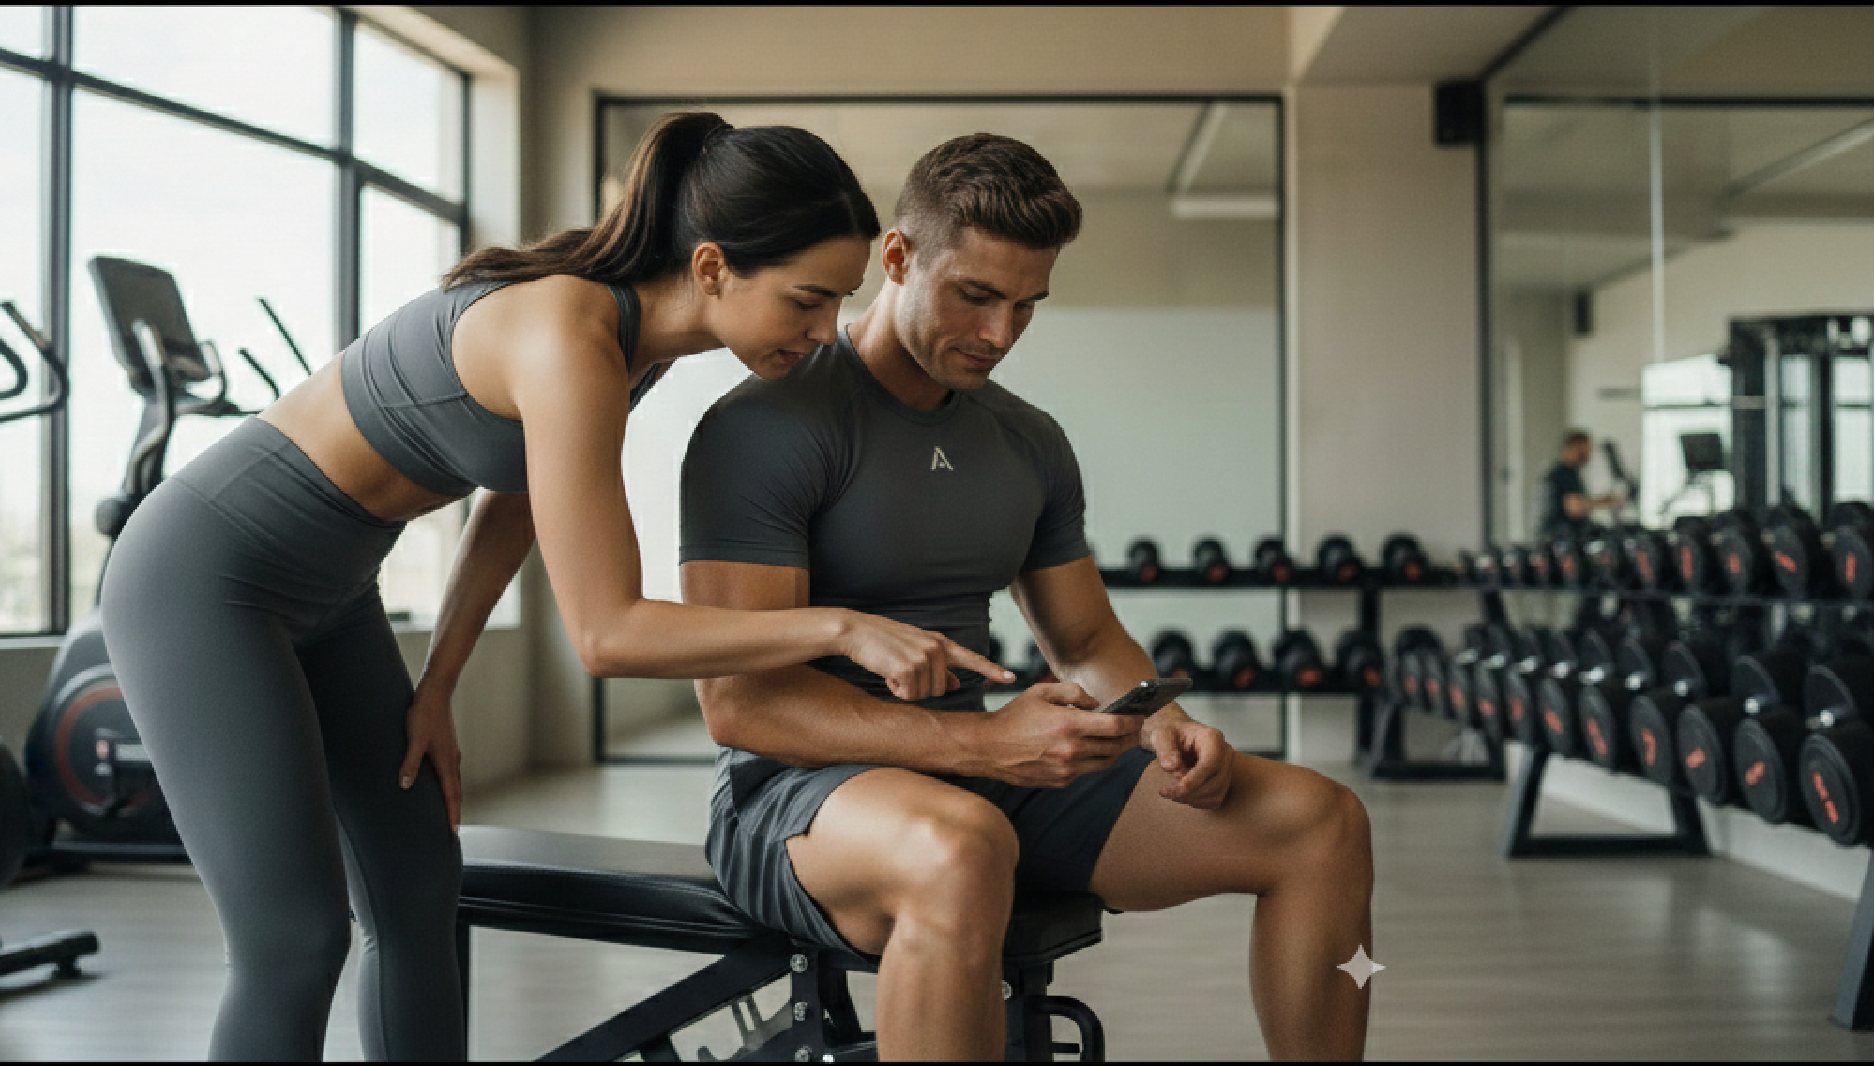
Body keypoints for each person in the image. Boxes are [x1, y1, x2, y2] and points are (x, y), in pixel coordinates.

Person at [99, 113, 1007, 1062]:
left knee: (415, 894)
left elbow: (516, 496)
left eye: (839, 303)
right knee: (294, 938)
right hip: (202, 576)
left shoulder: (634, 346)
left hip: (333, 590)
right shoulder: (571, 335)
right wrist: (843, 629)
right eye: (807, 300)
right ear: (710, 270)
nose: (827, 333)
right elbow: (608, 635)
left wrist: (439, 681)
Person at [677, 133, 1374, 1061]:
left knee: (1321, 823)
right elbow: (742, 705)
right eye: (975, 296)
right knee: (957, 845)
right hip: (797, 797)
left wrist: (1160, 720)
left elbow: (1083, 635)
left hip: (982, 778)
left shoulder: (1027, 439)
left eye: (1026, 306)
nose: (1000, 334)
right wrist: (985, 743)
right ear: (897, 258)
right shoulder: (766, 425)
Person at [1537, 429, 1622, 540]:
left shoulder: (1561, 472)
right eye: (1587, 448)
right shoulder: (1564, 473)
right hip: (1561, 539)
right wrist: (1606, 501)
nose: (1589, 454)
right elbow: (1575, 508)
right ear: (1576, 445)